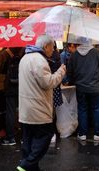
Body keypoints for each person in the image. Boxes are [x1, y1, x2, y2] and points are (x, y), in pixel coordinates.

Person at [17, 35, 66, 171]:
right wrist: (61, 72)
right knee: (45, 136)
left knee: (29, 139)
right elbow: (48, 83)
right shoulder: (39, 60)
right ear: (46, 46)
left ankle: (32, 167)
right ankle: (25, 165)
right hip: (38, 108)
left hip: (26, 109)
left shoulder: (25, 58)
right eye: (52, 47)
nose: (53, 50)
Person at [67, 38, 99, 141]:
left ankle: (82, 134)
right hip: (95, 87)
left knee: (82, 109)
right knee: (97, 109)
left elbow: (70, 71)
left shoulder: (74, 54)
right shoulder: (96, 52)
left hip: (80, 87)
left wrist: (72, 81)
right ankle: (98, 134)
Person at [0, 47, 25, 146]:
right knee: (23, 111)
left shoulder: (6, 52)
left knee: (10, 112)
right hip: (23, 85)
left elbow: (1, 70)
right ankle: (24, 136)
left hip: (10, 86)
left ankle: (11, 138)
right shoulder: (25, 50)